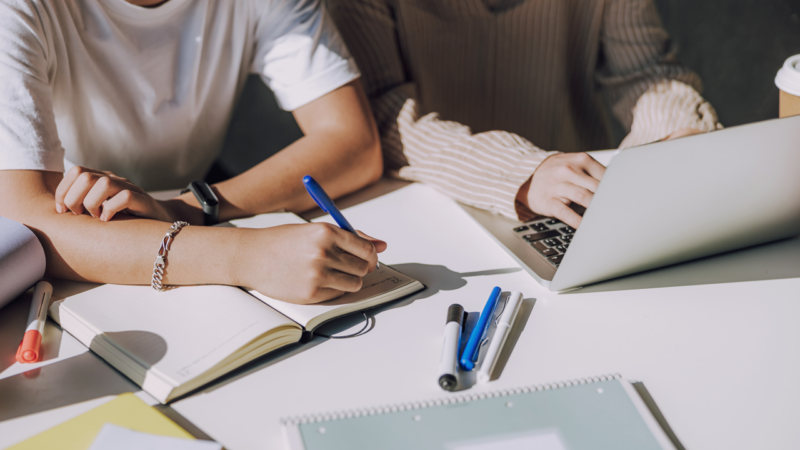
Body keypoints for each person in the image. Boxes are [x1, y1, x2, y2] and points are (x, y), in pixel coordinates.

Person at [0, 0, 387, 304]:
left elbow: (354, 142)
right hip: (80, 238)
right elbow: (26, 219)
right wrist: (246, 256)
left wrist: (185, 209)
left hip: (168, 221)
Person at [327, 0, 722, 228]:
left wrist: (674, 134)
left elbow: (647, 72)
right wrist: (523, 170)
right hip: (433, 213)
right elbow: (381, 112)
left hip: (582, 202)